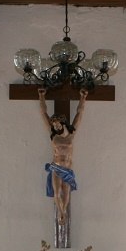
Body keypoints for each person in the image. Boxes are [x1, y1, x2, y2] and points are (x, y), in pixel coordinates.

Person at [38, 87, 88, 232]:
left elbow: (79, 114)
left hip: (68, 168)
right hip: (56, 167)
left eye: (58, 123)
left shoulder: (71, 135)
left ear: (63, 123)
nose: (55, 125)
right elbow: (43, 113)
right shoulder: (53, 136)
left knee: (66, 192)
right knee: (56, 191)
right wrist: (41, 97)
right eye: (54, 124)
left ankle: (64, 211)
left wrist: (83, 98)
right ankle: (61, 213)